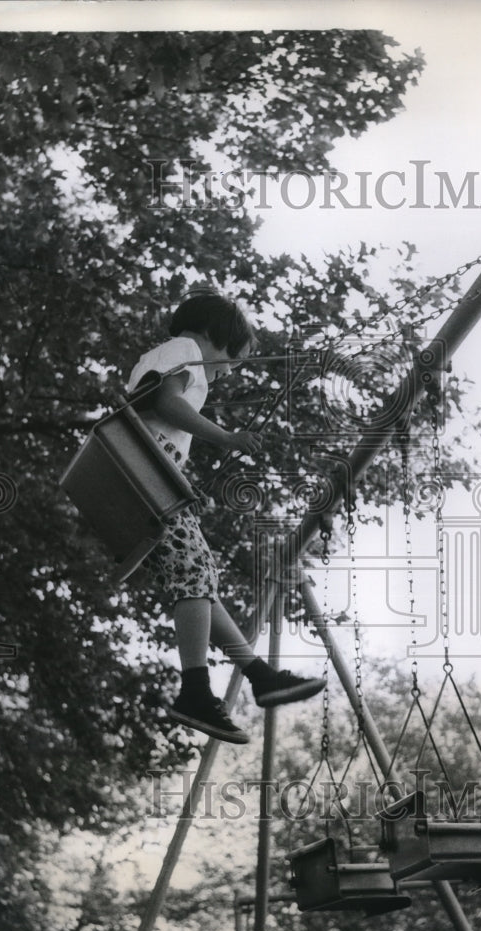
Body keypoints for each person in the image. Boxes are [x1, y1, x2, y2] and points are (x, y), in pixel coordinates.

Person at [126, 288, 324, 744]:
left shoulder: (164, 358)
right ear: (217, 337)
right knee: (196, 577)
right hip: (147, 477)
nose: (230, 371)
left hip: (144, 480)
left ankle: (259, 676)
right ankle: (195, 690)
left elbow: (154, 409)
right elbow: (165, 402)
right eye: (234, 359)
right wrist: (229, 438)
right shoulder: (187, 351)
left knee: (198, 584)